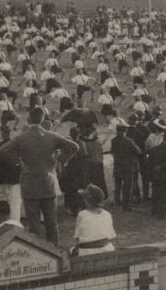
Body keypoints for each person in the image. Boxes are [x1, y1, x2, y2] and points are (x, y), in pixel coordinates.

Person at [13, 109, 61, 245]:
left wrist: (20, 162)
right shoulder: (50, 138)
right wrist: (58, 160)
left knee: (34, 224)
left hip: (32, 184)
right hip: (47, 182)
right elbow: (71, 147)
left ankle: (37, 251)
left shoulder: (23, 141)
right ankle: (55, 249)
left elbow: (3, 152)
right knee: (51, 222)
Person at [71, 184, 116, 256]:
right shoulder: (107, 214)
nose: (83, 200)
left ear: (87, 201)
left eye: (84, 198)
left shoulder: (82, 214)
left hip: (87, 253)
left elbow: (77, 238)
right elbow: (111, 236)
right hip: (106, 250)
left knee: (72, 251)